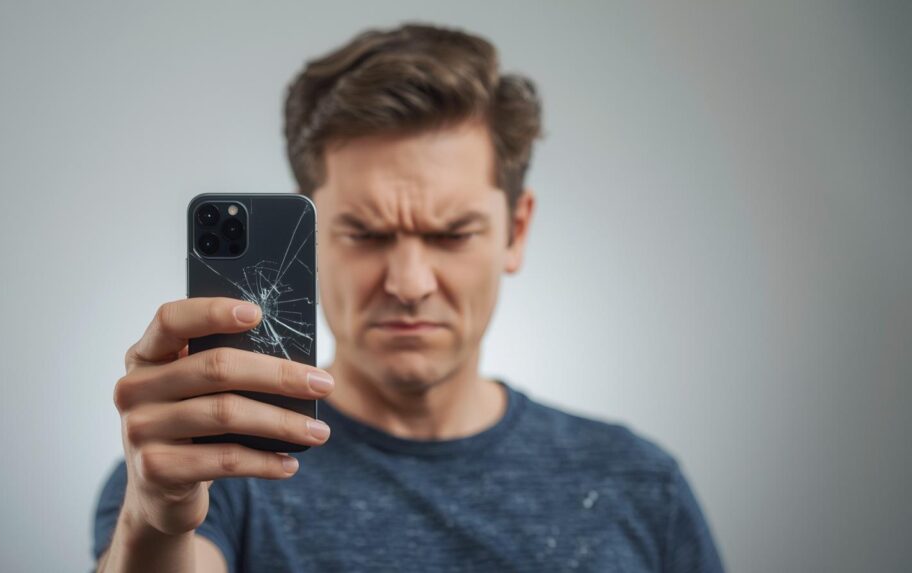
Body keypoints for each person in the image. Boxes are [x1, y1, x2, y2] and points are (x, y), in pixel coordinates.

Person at [92, 23, 724, 573]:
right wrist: (152, 520)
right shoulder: (208, 473)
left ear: (517, 230)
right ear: (309, 238)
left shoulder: (639, 484)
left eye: (453, 233)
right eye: (365, 233)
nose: (409, 282)